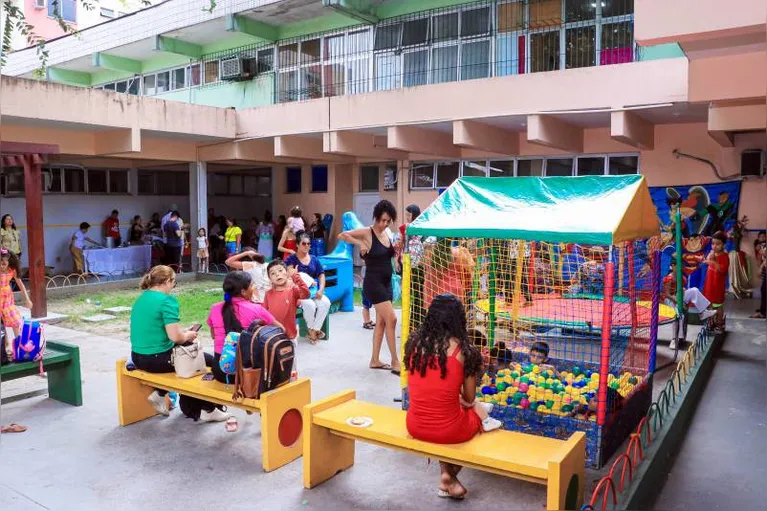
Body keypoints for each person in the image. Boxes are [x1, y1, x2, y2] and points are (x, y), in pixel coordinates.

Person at [405, 294, 502, 500]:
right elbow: (468, 397)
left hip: (414, 424)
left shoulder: (413, 343)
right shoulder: (464, 351)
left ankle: (448, 482)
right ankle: (447, 477)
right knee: (475, 417)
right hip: (449, 430)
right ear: (459, 319)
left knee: (450, 415)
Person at [130, 266, 228, 422]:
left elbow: (156, 329)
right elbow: (176, 338)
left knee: (195, 357)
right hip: (156, 359)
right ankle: (207, 408)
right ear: (168, 281)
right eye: (174, 283)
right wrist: (188, 334)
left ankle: (161, 393)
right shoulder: (167, 301)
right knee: (204, 362)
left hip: (137, 357)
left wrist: (182, 334)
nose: (173, 287)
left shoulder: (142, 298)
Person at [338, 199, 401, 374]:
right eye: (383, 220)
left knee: (381, 322)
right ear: (376, 217)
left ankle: (375, 360)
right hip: (373, 283)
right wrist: (360, 244)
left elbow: (389, 255)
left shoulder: (387, 233)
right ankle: (395, 361)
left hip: (387, 282)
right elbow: (342, 235)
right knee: (392, 319)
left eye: (388, 220)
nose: (385, 223)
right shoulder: (367, 232)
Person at [207, 271, 283, 386]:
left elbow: (213, 335)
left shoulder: (215, 308)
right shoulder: (256, 309)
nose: (254, 288)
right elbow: (281, 330)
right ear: (243, 291)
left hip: (220, 371)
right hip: (245, 374)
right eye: (252, 285)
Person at [285, 232, 331, 344]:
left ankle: (314, 330)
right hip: (298, 293)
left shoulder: (314, 259)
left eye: (309, 244)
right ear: (297, 245)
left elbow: (321, 274)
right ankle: (312, 331)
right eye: (304, 243)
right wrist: (292, 272)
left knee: (325, 303)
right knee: (310, 305)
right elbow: (289, 275)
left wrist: (321, 290)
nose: (307, 246)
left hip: (313, 291)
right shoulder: (291, 259)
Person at [263, 260, 310, 343]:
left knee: (289, 355)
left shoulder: (293, 290)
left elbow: (306, 294)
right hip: (272, 335)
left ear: (287, 274)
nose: (277, 274)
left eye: (280, 270)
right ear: (270, 279)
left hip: (289, 336)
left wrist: (296, 276)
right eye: (273, 273)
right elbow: (264, 313)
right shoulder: (268, 294)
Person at [1, 250, 33, 355]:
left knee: (14, 321)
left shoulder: (12, 271)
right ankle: (6, 346)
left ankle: (20, 344)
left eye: (4, 264)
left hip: (7, 300)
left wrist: (27, 299)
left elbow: (21, 285)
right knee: (1, 325)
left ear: (9, 262)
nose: (2, 266)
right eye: (0, 263)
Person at [702, 231, 730, 334]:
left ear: (724, 244)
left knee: (718, 306)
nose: (715, 246)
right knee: (710, 306)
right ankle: (712, 322)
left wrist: (712, 261)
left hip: (718, 286)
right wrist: (708, 259)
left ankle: (720, 324)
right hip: (709, 285)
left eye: (718, 244)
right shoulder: (712, 254)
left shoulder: (725, 257)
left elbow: (722, 269)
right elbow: (708, 263)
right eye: (713, 243)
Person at [750, 233, 766, 319]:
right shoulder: (760, 245)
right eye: (761, 237)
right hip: (764, 270)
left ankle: (762, 312)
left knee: (764, 289)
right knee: (763, 290)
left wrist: (760, 267)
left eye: (764, 237)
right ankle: (763, 310)